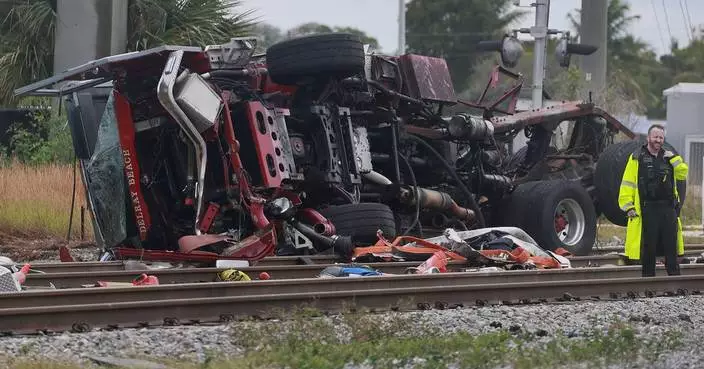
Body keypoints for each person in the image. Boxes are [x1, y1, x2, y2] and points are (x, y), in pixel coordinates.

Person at [618, 124, 688, 277]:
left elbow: (682, 174)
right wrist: (628, 206)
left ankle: (674, 277)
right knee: (649, 247)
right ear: (649, 138)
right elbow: (627, 183)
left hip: (668, 208)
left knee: (671, 245)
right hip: (647, 208)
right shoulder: (637, 157)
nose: (658, 140)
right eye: (655, 137)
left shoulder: (669, 157)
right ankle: (649, 279)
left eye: (661, 137)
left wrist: (674, 158)